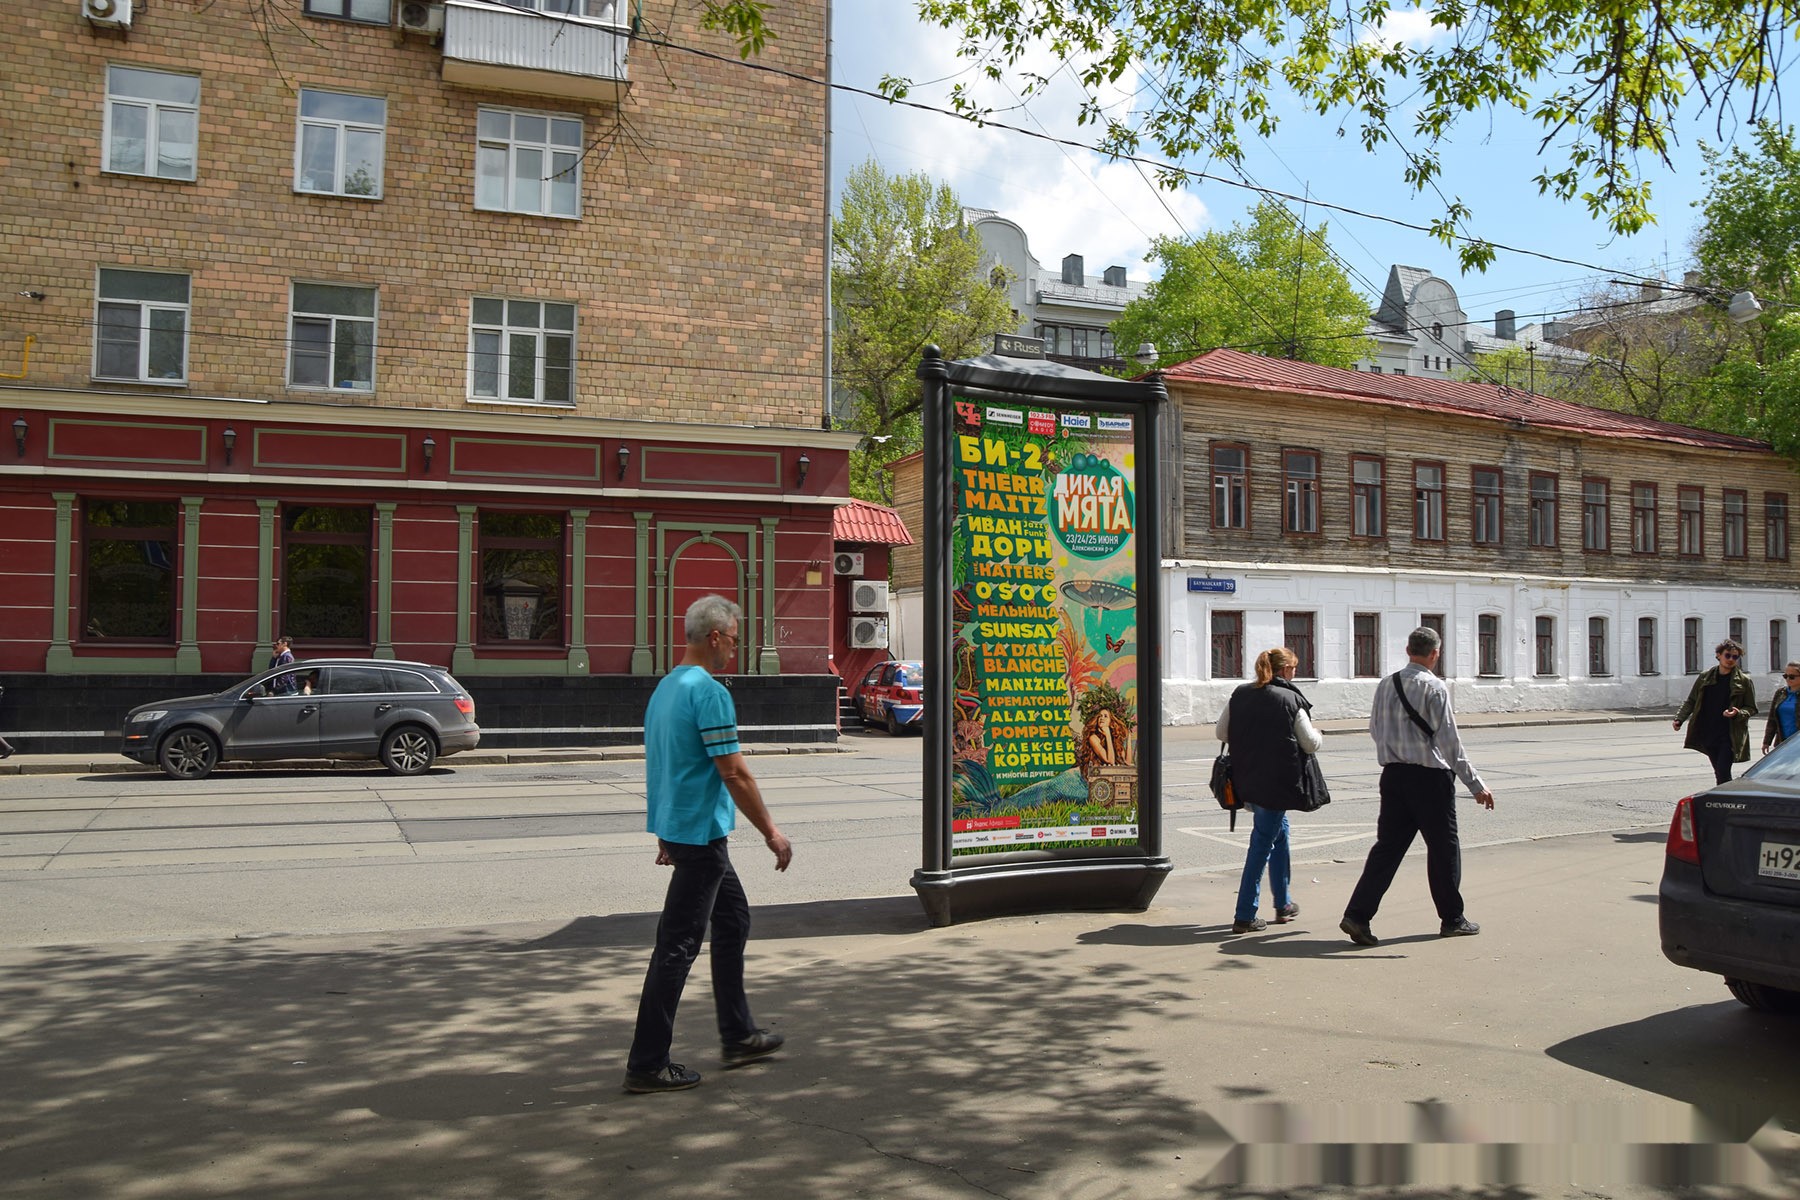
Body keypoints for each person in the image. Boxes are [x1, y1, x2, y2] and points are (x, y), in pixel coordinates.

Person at [624, 595, 793, 1094]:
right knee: (676, 947)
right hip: (700, 836)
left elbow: (663, 764)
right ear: (715, 636)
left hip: (687, 831)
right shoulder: (709, 691)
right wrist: (771, 832)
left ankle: (738, 1033)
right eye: (735, 639)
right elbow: (734, 772)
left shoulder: (666, 688)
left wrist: (665, 831)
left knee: (733, 920)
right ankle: (647, 1063)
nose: (735, 650)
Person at [1341, 626, 1496, 947]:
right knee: (1443, 850)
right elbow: (1450, 744)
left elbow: (1374, 729)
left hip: (1393, 777)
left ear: (1407, 649)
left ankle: (1358, 914)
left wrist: (1396, 753)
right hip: (1430, 780)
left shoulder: (1387, 684)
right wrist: (1476, 784)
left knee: (1387, 849)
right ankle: (1452, 919)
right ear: (1435, 653)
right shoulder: (1435, 688)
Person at [1214, 646, 1322, 934]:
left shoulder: (1240, 694)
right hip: (1277, 784)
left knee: (1279, 832)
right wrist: (1320, 735)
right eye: (1294, 668)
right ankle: (1245, 914)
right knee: (1261, 844)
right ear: (1285, 670)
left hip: (1247, 779)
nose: (1295, 673)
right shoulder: (1290, 698)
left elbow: (1221, 732)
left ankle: (1283, 903)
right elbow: (1309, 743)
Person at [1674, 638, 1757, 784]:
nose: (1731, 659)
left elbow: (1751, 708)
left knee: (1723, 771)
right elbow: (1691, 700)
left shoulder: (1743, 681)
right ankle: (1725, 800)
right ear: (1718, 655)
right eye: (1727, 655)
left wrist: (1738, 713)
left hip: (1729, 734)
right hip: (1708, 732)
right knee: (1719, 772)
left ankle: (1726, 802)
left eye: (1735, 657)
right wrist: (1679, 719)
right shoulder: (1705, 677)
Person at [1763, 661, 1800, 754]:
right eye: (1785, 676)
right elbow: (1772, 719)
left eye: (1792, 676)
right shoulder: (1780, 693)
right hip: (1782, 742)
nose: (1788, 679)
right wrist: (1766, 742)